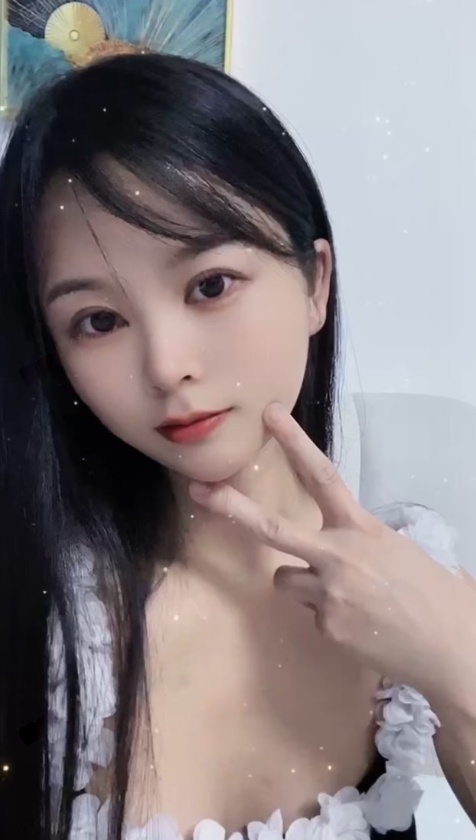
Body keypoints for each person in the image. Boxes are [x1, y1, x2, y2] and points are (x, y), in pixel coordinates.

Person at [0, 51, 475, 840]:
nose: (166, 366)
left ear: (315, 282)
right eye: (99, 321)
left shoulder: (424, 586)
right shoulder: (43, 629)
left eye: (211, 285)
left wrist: (454, 659)